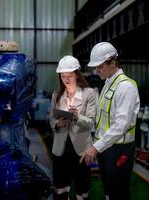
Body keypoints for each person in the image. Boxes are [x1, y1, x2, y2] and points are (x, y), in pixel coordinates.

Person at [80, 42, 140, 200]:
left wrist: (95, 147)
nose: (96, 71)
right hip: (107, 148)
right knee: (109, 192)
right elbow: (103, 120)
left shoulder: (125, 87)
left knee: (118, 194)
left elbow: (120, 125)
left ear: (113, 63)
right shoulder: (108, 84)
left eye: (99, 66)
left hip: (119, 149)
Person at [49, 55, 96, 200]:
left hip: (81, 150)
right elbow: (51, 119)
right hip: (60, 150)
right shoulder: (56, 95)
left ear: (76, 74)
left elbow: (91, 122)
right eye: (63, 76)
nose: (66, 80)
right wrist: (57, 124)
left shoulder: (89, 94)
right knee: (59, 189)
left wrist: (77, 117)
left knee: (81, 191)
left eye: (69, 76)